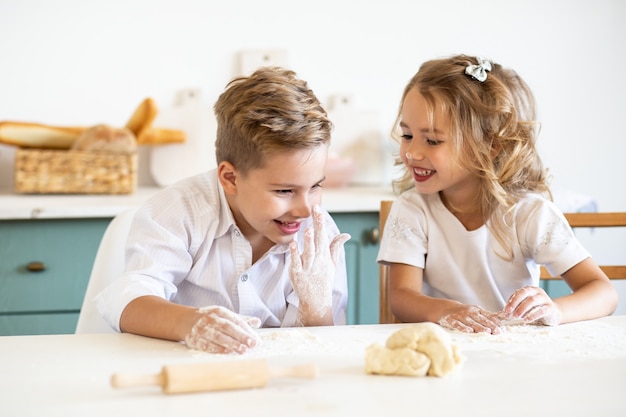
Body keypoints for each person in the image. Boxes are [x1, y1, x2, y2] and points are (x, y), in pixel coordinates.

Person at [96, 66, 351, 353]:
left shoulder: (318, 236)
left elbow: (324, 345)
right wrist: (192, 322)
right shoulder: (178, 212)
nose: (305, 209)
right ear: (230, 178)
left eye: (316, 186)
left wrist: (315, 306)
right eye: (284, 191)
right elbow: (130, 299)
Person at [377, 54, 618, 334]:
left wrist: (555, 310)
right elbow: (402, 298)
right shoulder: (413, 209)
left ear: (490, 145)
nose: (412, 152)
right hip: (443, 349)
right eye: (407, 136)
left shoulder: (530, 214)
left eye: (432, 140)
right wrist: (448, 311)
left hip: (514, 356)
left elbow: (603, 292)